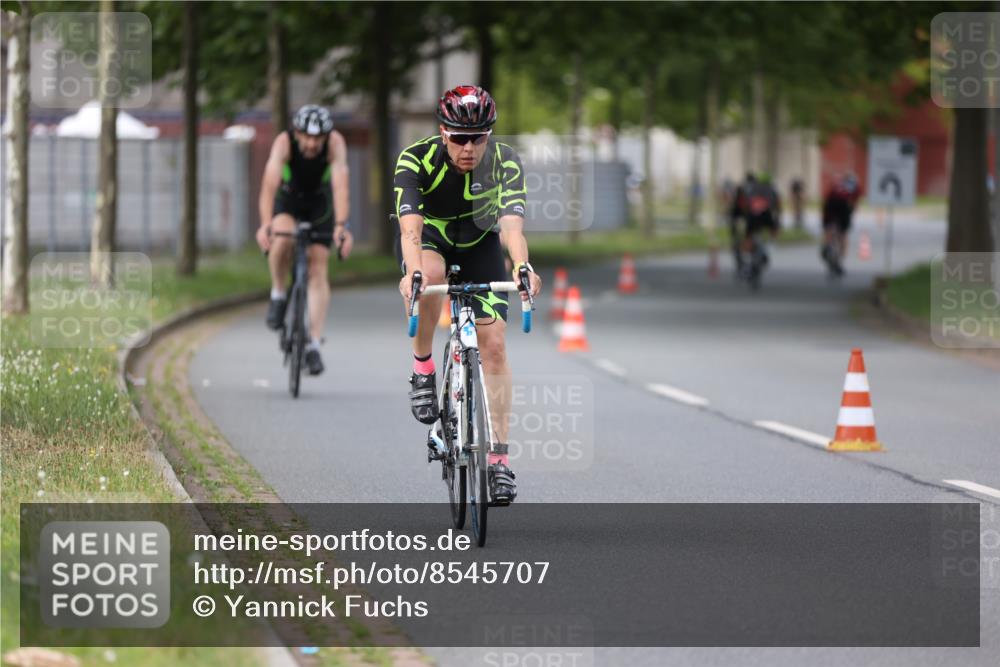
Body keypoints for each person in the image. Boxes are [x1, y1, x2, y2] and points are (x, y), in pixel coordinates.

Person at [394, 85, 541, 504]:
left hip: (480, 243)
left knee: (494, 345)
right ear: (443, 132)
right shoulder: (416, 159)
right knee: (430, 275)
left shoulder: (505, 161)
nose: (469, 148)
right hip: (432, 240)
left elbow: (511, 227)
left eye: (479, 137)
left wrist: (523, 266)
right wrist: (413, 273)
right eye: (460, 138)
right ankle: (423, 368)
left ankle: (498, 461)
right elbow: (410, 229)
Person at [255, 104, 353, 376]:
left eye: (317, 138)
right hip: (288, 200)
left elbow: (341, 187)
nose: (311, 144)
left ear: (326, 136)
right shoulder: (283, 142)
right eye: (307, 137)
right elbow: (268, 186)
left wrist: (341, 227)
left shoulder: (335, 144)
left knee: (318, 266)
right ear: (297, 133)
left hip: (320, 204)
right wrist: (265, 224)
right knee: (281, 238)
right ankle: (278, 293)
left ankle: (313, 344)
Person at [821, 172, 861, 274]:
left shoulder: (837, 183)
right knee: (843, 235)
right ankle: (840, 259)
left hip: (830, 205)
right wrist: (851, 212)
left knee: (828, 228)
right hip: (843, 206)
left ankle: (827, 245)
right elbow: (854, 203)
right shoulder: (855, 186)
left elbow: (826, 198)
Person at [740, 172, 781, 267]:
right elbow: (777, 206)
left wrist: (745, 215)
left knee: (748, 235)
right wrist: (777, 220)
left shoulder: (752, 189)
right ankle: (771, 245)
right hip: (765, 215)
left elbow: (746, 203)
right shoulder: (772, 190)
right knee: (774, 229)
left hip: (752, 216)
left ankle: (745, 254)